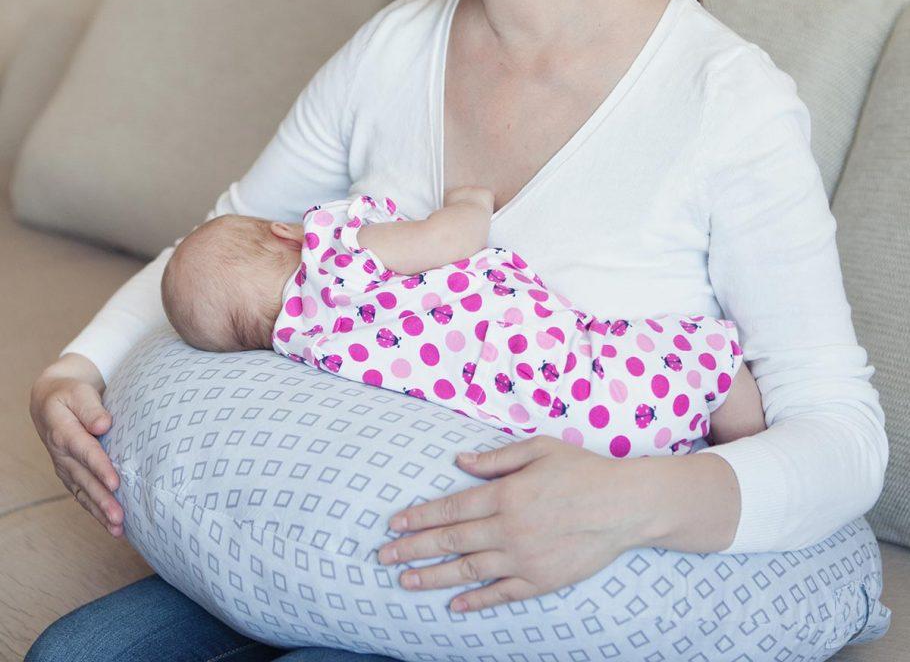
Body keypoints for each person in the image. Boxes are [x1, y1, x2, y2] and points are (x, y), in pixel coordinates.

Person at [25, 0, 887, 661]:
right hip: (334, 525)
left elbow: (841, 435)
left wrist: (631, 501)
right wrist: (73, 367)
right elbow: (226, 235)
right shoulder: (390, 54)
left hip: (545, 583)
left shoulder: (722, 104)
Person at [157, 188, 766, 454]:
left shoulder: (309, 348)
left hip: (554, 427)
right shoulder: (332, 259)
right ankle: (748, 452)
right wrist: (469, 201)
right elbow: (451, 238)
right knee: (712, 362)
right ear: (282, 232)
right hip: (559, 364)